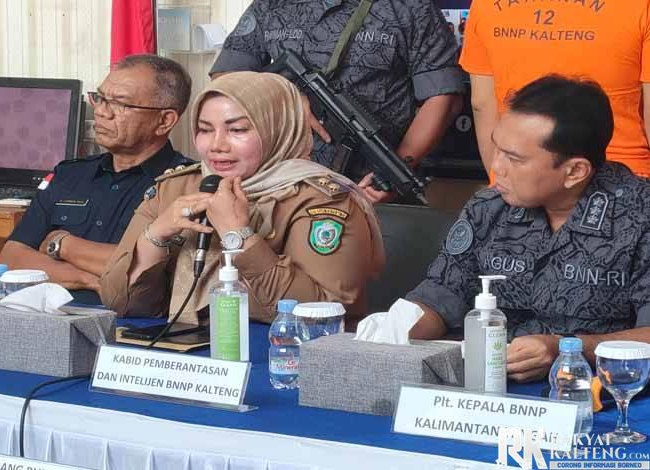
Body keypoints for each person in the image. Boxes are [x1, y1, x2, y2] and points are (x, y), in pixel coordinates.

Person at [405, 76, 650, 382]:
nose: (497, 167)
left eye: (514, 159)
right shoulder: (488, 207)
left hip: (604, 395)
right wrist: (396, 327)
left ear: (575, 171)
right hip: (486, 387)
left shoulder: (639, 217)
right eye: (498, 149)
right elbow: (442, 295)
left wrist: (569, 349)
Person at [99, 72, 385, 329]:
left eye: (237, 130)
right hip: (182, 354)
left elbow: (320, 316)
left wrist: (240, 237)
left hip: (281, 356)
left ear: (277, 129)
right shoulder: (176, 188)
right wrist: (155, 237)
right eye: (205, 129)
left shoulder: (321, 200)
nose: (217, 146)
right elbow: (119, 303)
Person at [209, 0, 465, 203]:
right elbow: (225, 76)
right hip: (280, 186)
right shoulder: (271, 5)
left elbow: (443, 97)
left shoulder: (410, 7)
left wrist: (396, 170)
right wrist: (283, 97)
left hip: (369, 188)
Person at [0, 54, 192, 304]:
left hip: (126, 320)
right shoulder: (70, 174)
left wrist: (61, 244)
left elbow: (152, 271)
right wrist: (88, 279)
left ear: (164, 120)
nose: (100, 112)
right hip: (45, 314)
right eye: (99, 98)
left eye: (119, 104)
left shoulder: (185, 184)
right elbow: (11, 259)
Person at [460, 0, 650, 177]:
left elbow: (482, 104)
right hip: (622, 178)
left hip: (519, 174)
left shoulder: (485, 5)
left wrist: (500, 177)